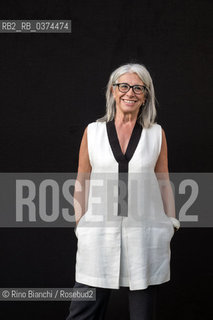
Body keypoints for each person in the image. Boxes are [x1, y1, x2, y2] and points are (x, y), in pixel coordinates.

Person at [66, 63, 180, 320]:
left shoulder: (156, 135)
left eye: (138, 88)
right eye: (124, 86)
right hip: (97, 235)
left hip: (145, 236)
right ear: (112, 90)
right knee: (83, 313)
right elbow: (82, 180)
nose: (130, 92)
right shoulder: (93, 132)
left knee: (142, 314)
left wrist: (170, 224)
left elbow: (164, 182)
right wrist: (79, 225)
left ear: (146, 95)